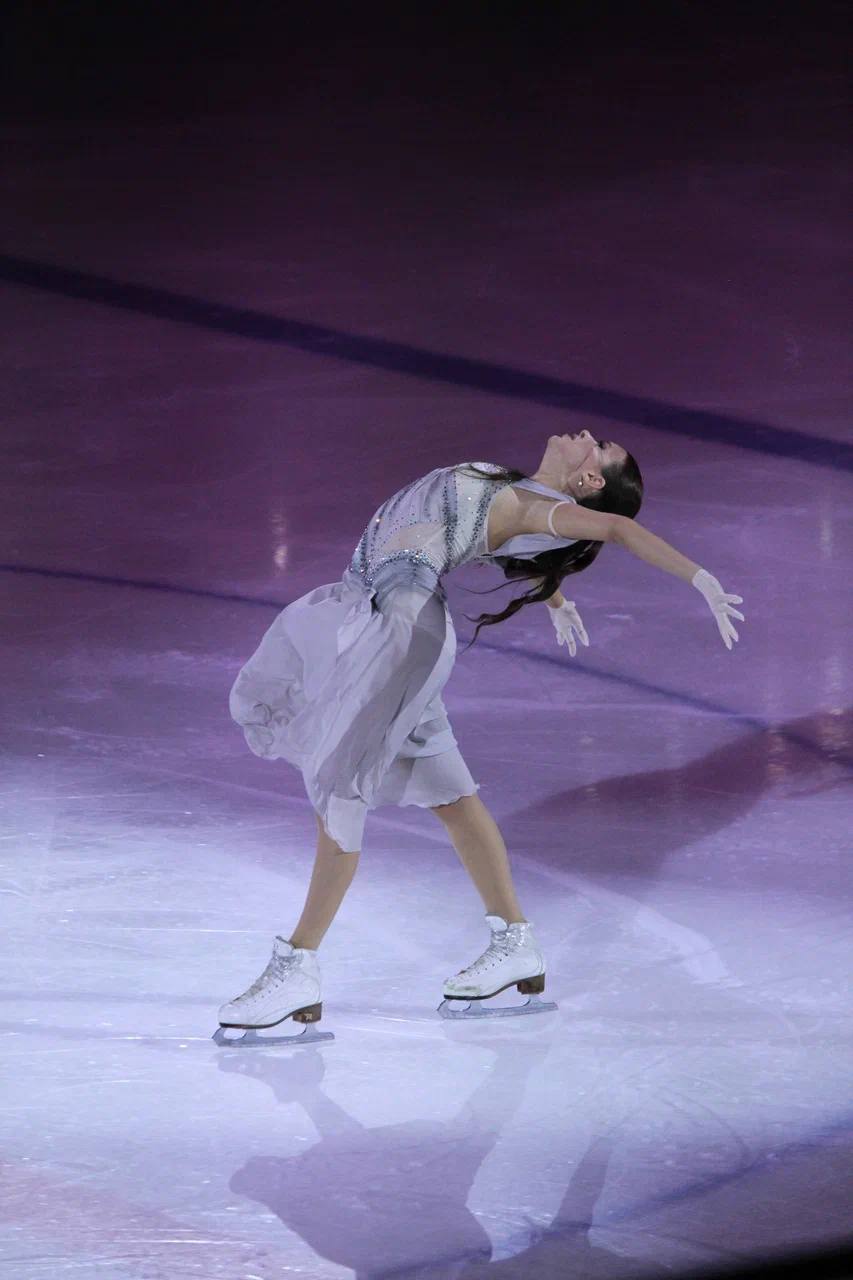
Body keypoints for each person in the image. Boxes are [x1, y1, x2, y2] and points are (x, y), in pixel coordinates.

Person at [216, 429, 744, 1042]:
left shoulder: (540, 508)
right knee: (452, 795)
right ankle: (516, 945)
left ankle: (297, 969)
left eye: (599, 447)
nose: (587, 435)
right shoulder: (518, 493)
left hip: (399, 634)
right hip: (387, 617)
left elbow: (619, 529)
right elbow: (508, 537)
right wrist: (555, 598)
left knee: (341, 787)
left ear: (589, 481)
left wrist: (701, 580)